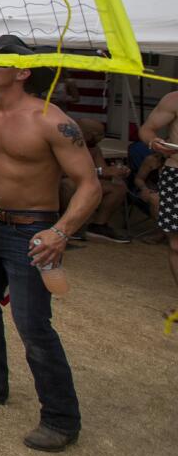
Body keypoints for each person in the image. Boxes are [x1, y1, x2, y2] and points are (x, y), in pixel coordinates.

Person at [0, 35, 100, 451]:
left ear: (23, 71)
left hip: (32, 229)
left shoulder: (51, 120)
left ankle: (61, 419)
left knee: (32, 324)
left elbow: (89, 185)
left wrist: (61, 231)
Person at [138, 91, 178, 311]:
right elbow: (147, 128)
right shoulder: (174, 99)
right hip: (176, 174)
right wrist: (153, 142)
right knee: (176, 244)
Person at [67, 118, 130, 243]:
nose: (103, 137)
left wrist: (117, 171)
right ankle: (69, 227)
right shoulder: (67, 145)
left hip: (85, 183)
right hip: (65, 182)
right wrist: (101, 171)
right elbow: (63, 172)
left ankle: (98, 226)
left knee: (118, 188)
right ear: (89, 134)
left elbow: (104, 172)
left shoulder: (94, 149)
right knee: (67, 184)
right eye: (100, 134)